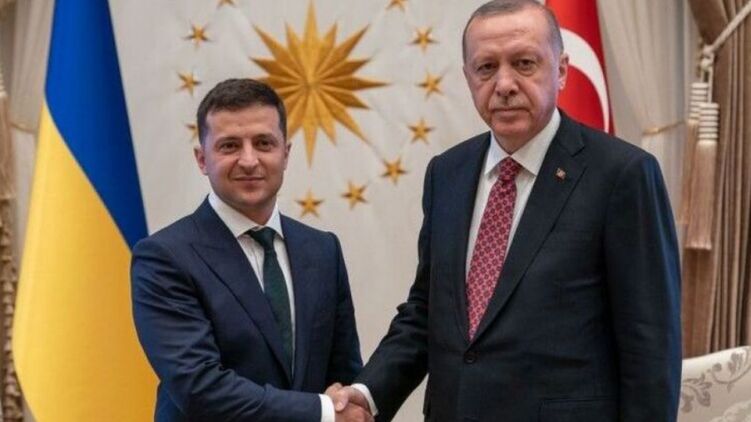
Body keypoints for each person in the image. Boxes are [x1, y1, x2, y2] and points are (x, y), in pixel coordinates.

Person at [330, 1, 682, 421]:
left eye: (524, 63)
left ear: (562, 70)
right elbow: (428, 312)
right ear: (468, 78)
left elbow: (650, 346)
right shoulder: (447, 173)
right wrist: (367, 394)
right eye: (486, 68)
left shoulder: (622, 174)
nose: (504, 84)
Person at [131, 78, 371, 421]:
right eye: (229, 146)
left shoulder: (322, 250)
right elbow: (200, 388)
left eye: (263, 143)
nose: (248, 160)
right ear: (202, 159)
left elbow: (343, 373)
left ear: (285, 154)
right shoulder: (163, 258)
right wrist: (322, 411)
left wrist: (347, 406)